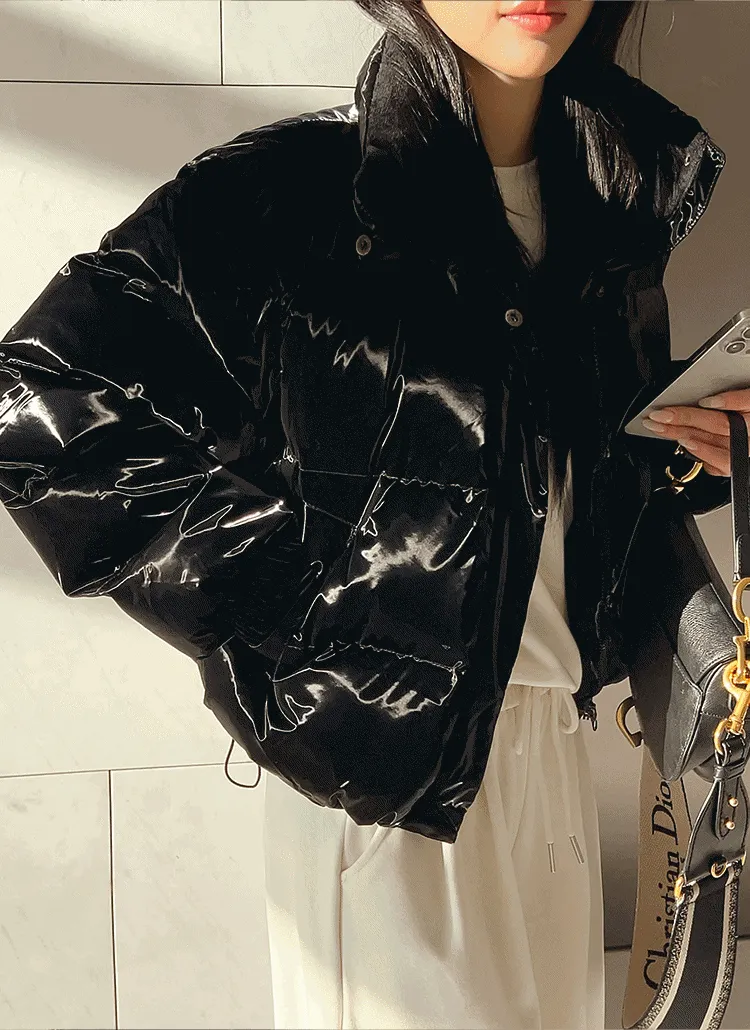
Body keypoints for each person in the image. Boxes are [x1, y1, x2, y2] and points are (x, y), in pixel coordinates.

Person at [0, 1, 740, 1028]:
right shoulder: (290, 193)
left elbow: (543, 486)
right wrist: (312, 608)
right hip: (389, 792)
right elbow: (40, 407)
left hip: (556, 760)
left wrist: (693, 443)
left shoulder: (611, 200)